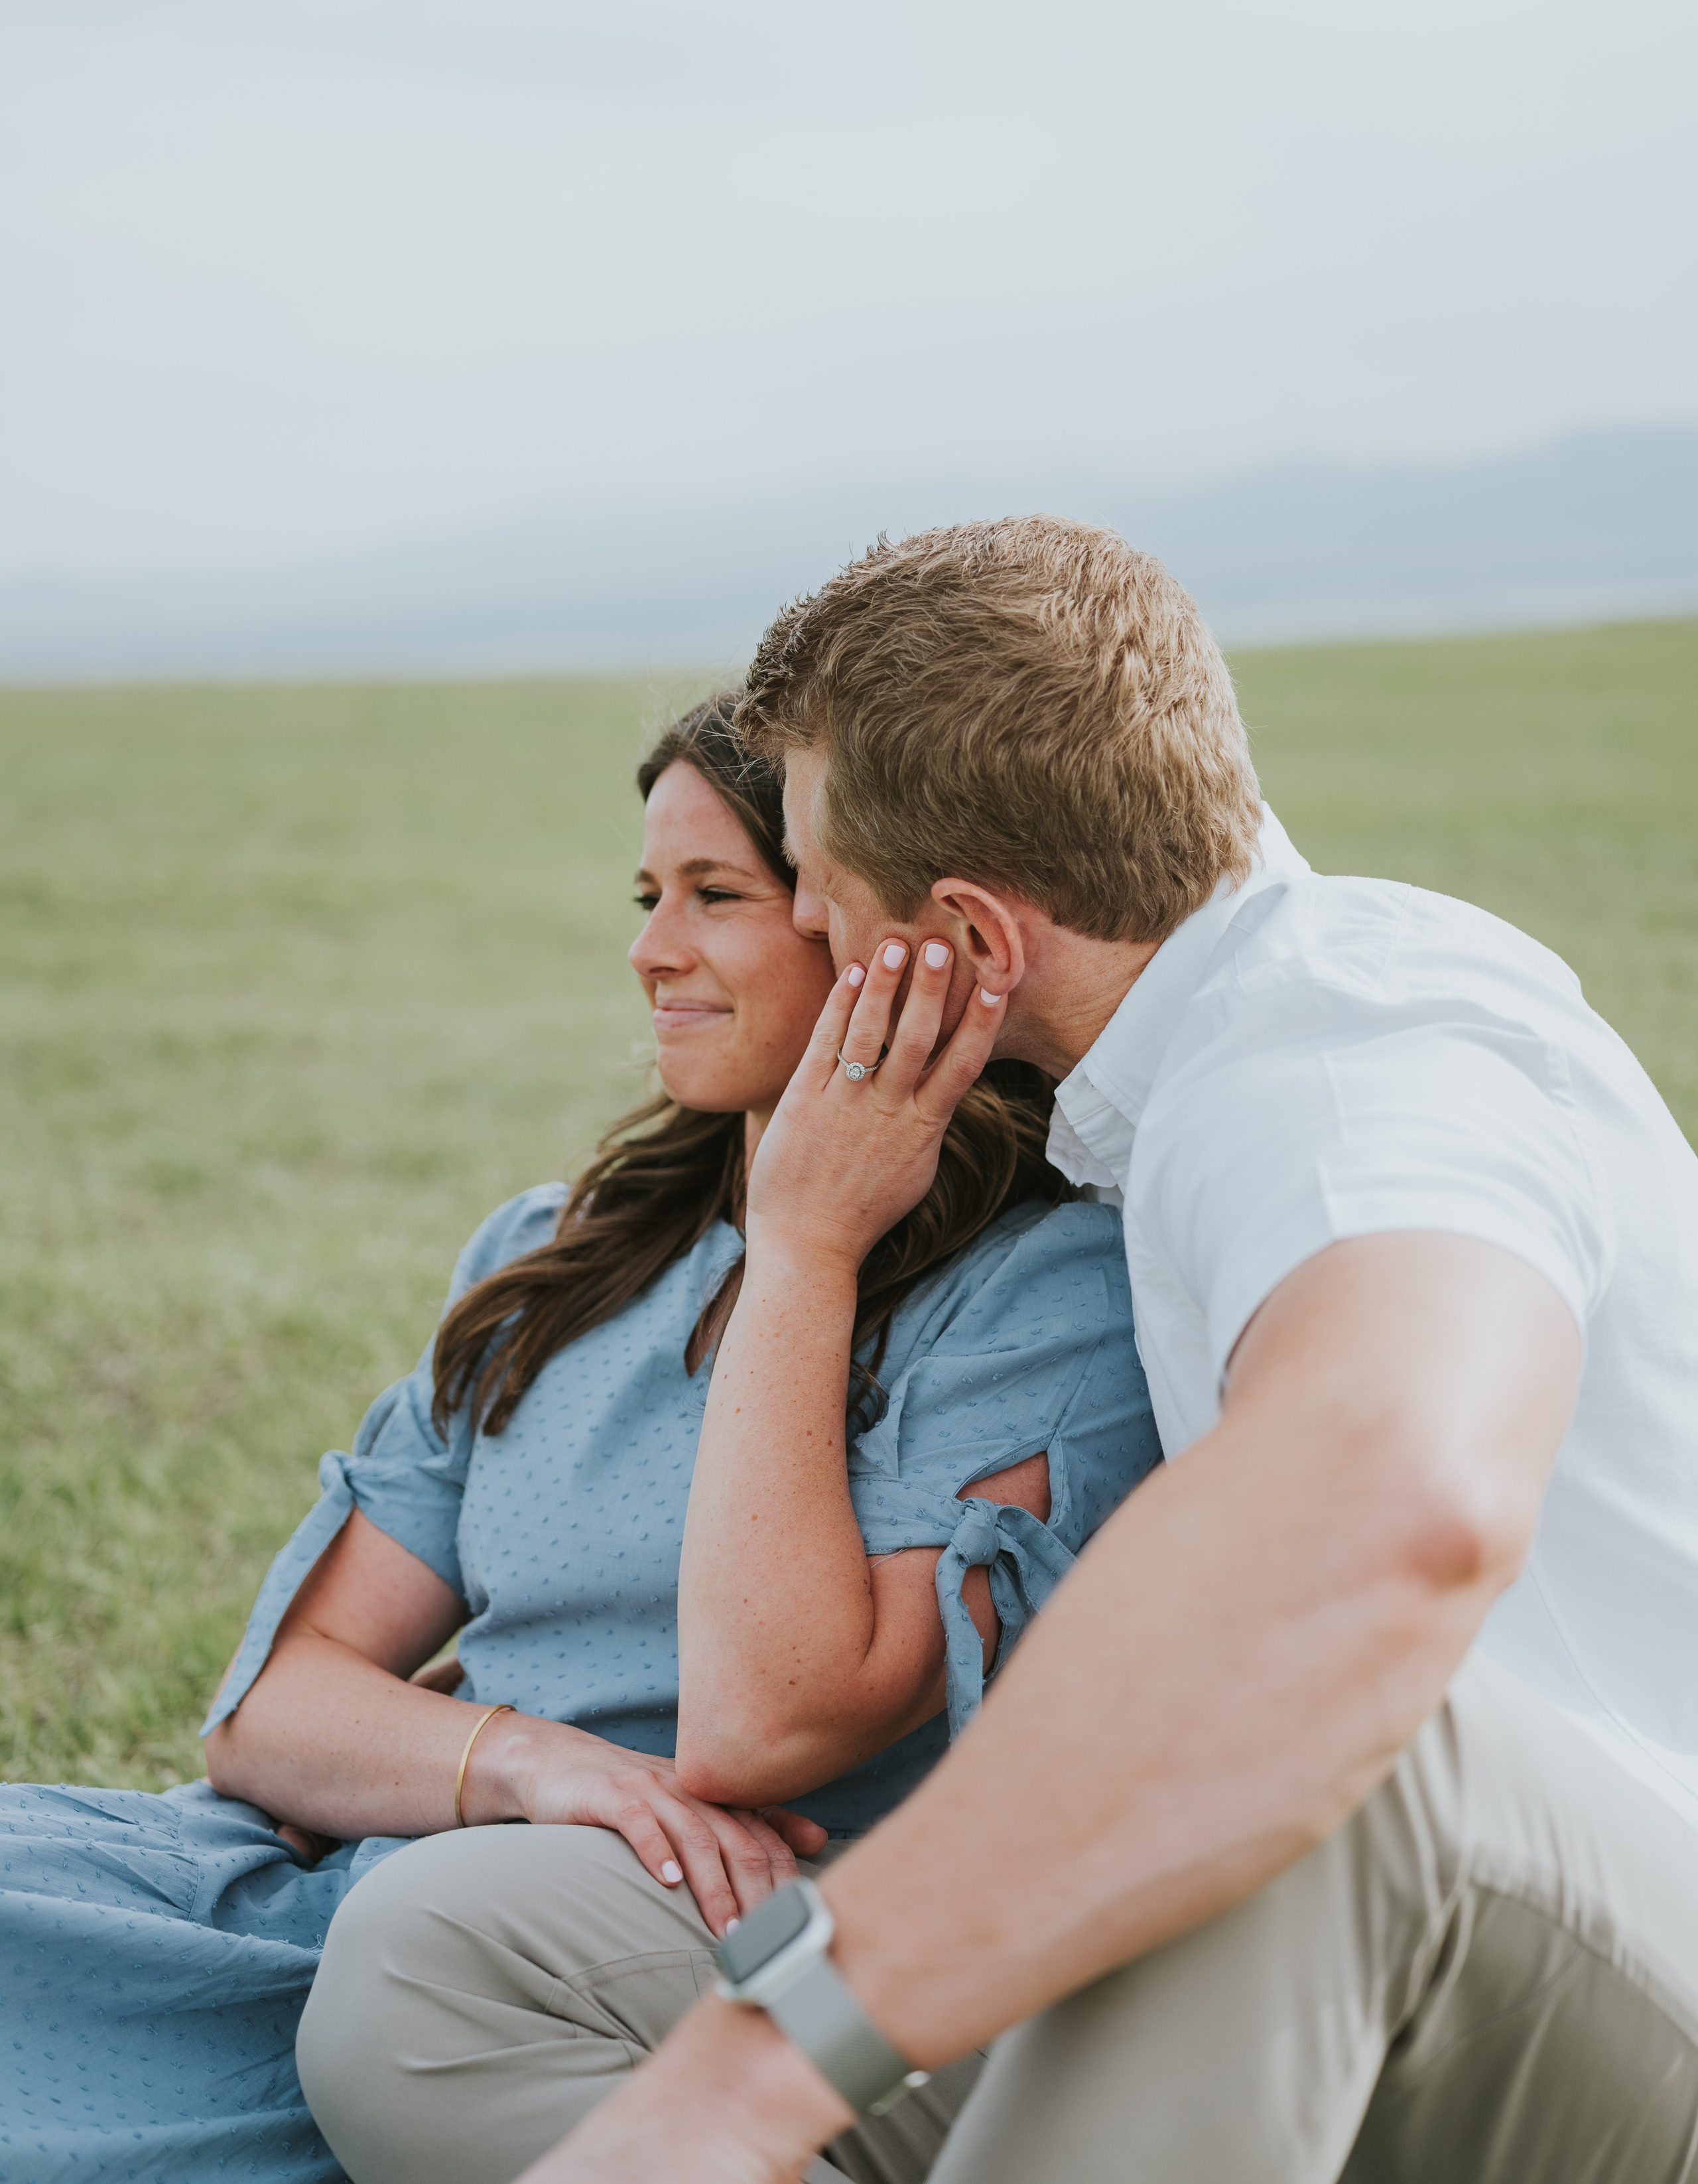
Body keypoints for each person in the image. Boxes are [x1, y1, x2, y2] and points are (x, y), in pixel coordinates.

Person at [310, 519, 1698, 2184]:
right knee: (452, 1952)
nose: (805, 914)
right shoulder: (1171, 1083)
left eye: (808, 875)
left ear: (964, 938)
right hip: (1315, 1938)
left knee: (1325, 1739)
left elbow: (1388, 1520)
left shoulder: (1343, 1063)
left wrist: (752, 2081)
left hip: (1587, 1978)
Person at [0, 693, 1160, 2184]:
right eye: (645, 897)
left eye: (715, 896)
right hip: (364, 1882)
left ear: (870, 932)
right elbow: (273, 1710)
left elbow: (786, 1720)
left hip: (635, 1973)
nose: (650, 949)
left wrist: (803, 1245)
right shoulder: (557, 1253)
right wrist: (537, 1764)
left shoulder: (1036, 1296)